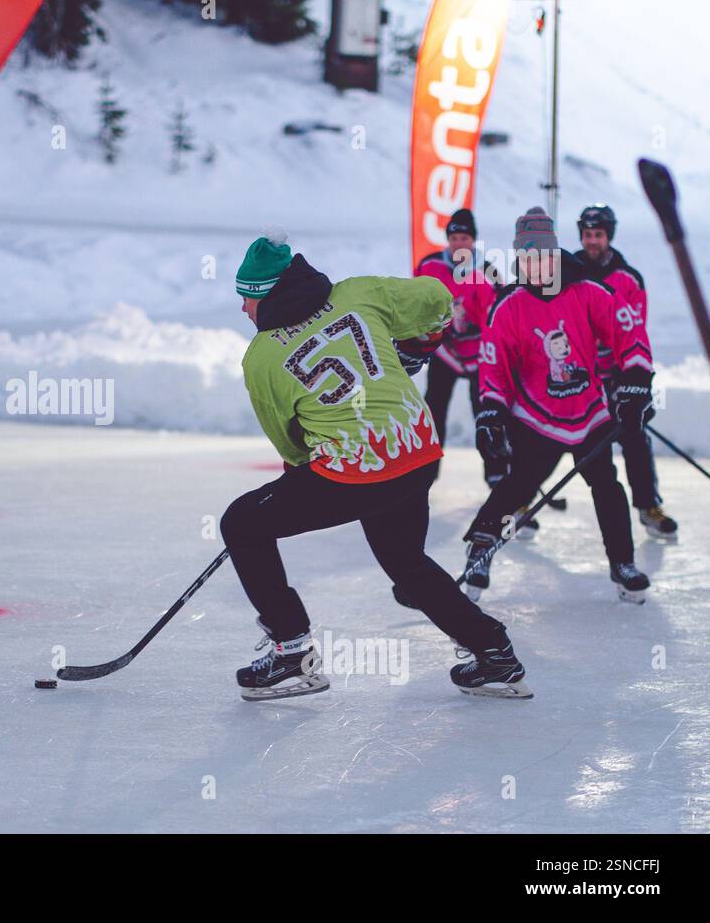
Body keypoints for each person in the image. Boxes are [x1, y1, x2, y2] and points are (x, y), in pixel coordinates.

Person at [220, 231, 531, 701]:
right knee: (406, 562)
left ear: (267, 295)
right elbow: (437, 296)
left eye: (246, 298)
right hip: (417, 449)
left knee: (242, 523)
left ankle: (291, 654)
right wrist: (423, 340)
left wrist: (302, 477)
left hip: (357, 471)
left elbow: (290, 444)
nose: (243, 310)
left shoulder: (262, 356)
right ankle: (494, 653)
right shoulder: (357, 292)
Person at [463, 208, 654, 603]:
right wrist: (491, 415)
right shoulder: (510, 305)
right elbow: (493, 367)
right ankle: (480, 549)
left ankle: (623, 563)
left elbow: (628, 332)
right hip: (536, 416)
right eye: (528, 259)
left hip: (589, 411)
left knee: (607, 485)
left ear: (555, 255)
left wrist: (636, 385)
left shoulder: (588, 290)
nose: (537, 267)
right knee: (518, 484)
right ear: (520, 260)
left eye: (544, 257)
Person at [575, 203, 678, 540]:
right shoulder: (569, 271)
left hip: (618, 374)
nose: (592, 241)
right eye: (588, 235)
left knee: (634, 436)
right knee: (555, 436)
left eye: (599, 235)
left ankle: (648, 506)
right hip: (577, 373)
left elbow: (633, 331)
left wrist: (629, 382)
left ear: (609, 236)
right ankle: (521, 503)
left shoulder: (628, 278)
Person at [415, 208, 503, 481]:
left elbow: (498, 316)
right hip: (445, 350)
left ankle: (496, 471)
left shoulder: (489, 272)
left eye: (464, 238)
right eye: (454, 238)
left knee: (485, 410)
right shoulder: (429, 266)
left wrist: (474, 321)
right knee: (434, 407)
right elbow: (416, 303)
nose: (459, 244)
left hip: (479, 353)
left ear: (473, 241)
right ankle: (426, 472)